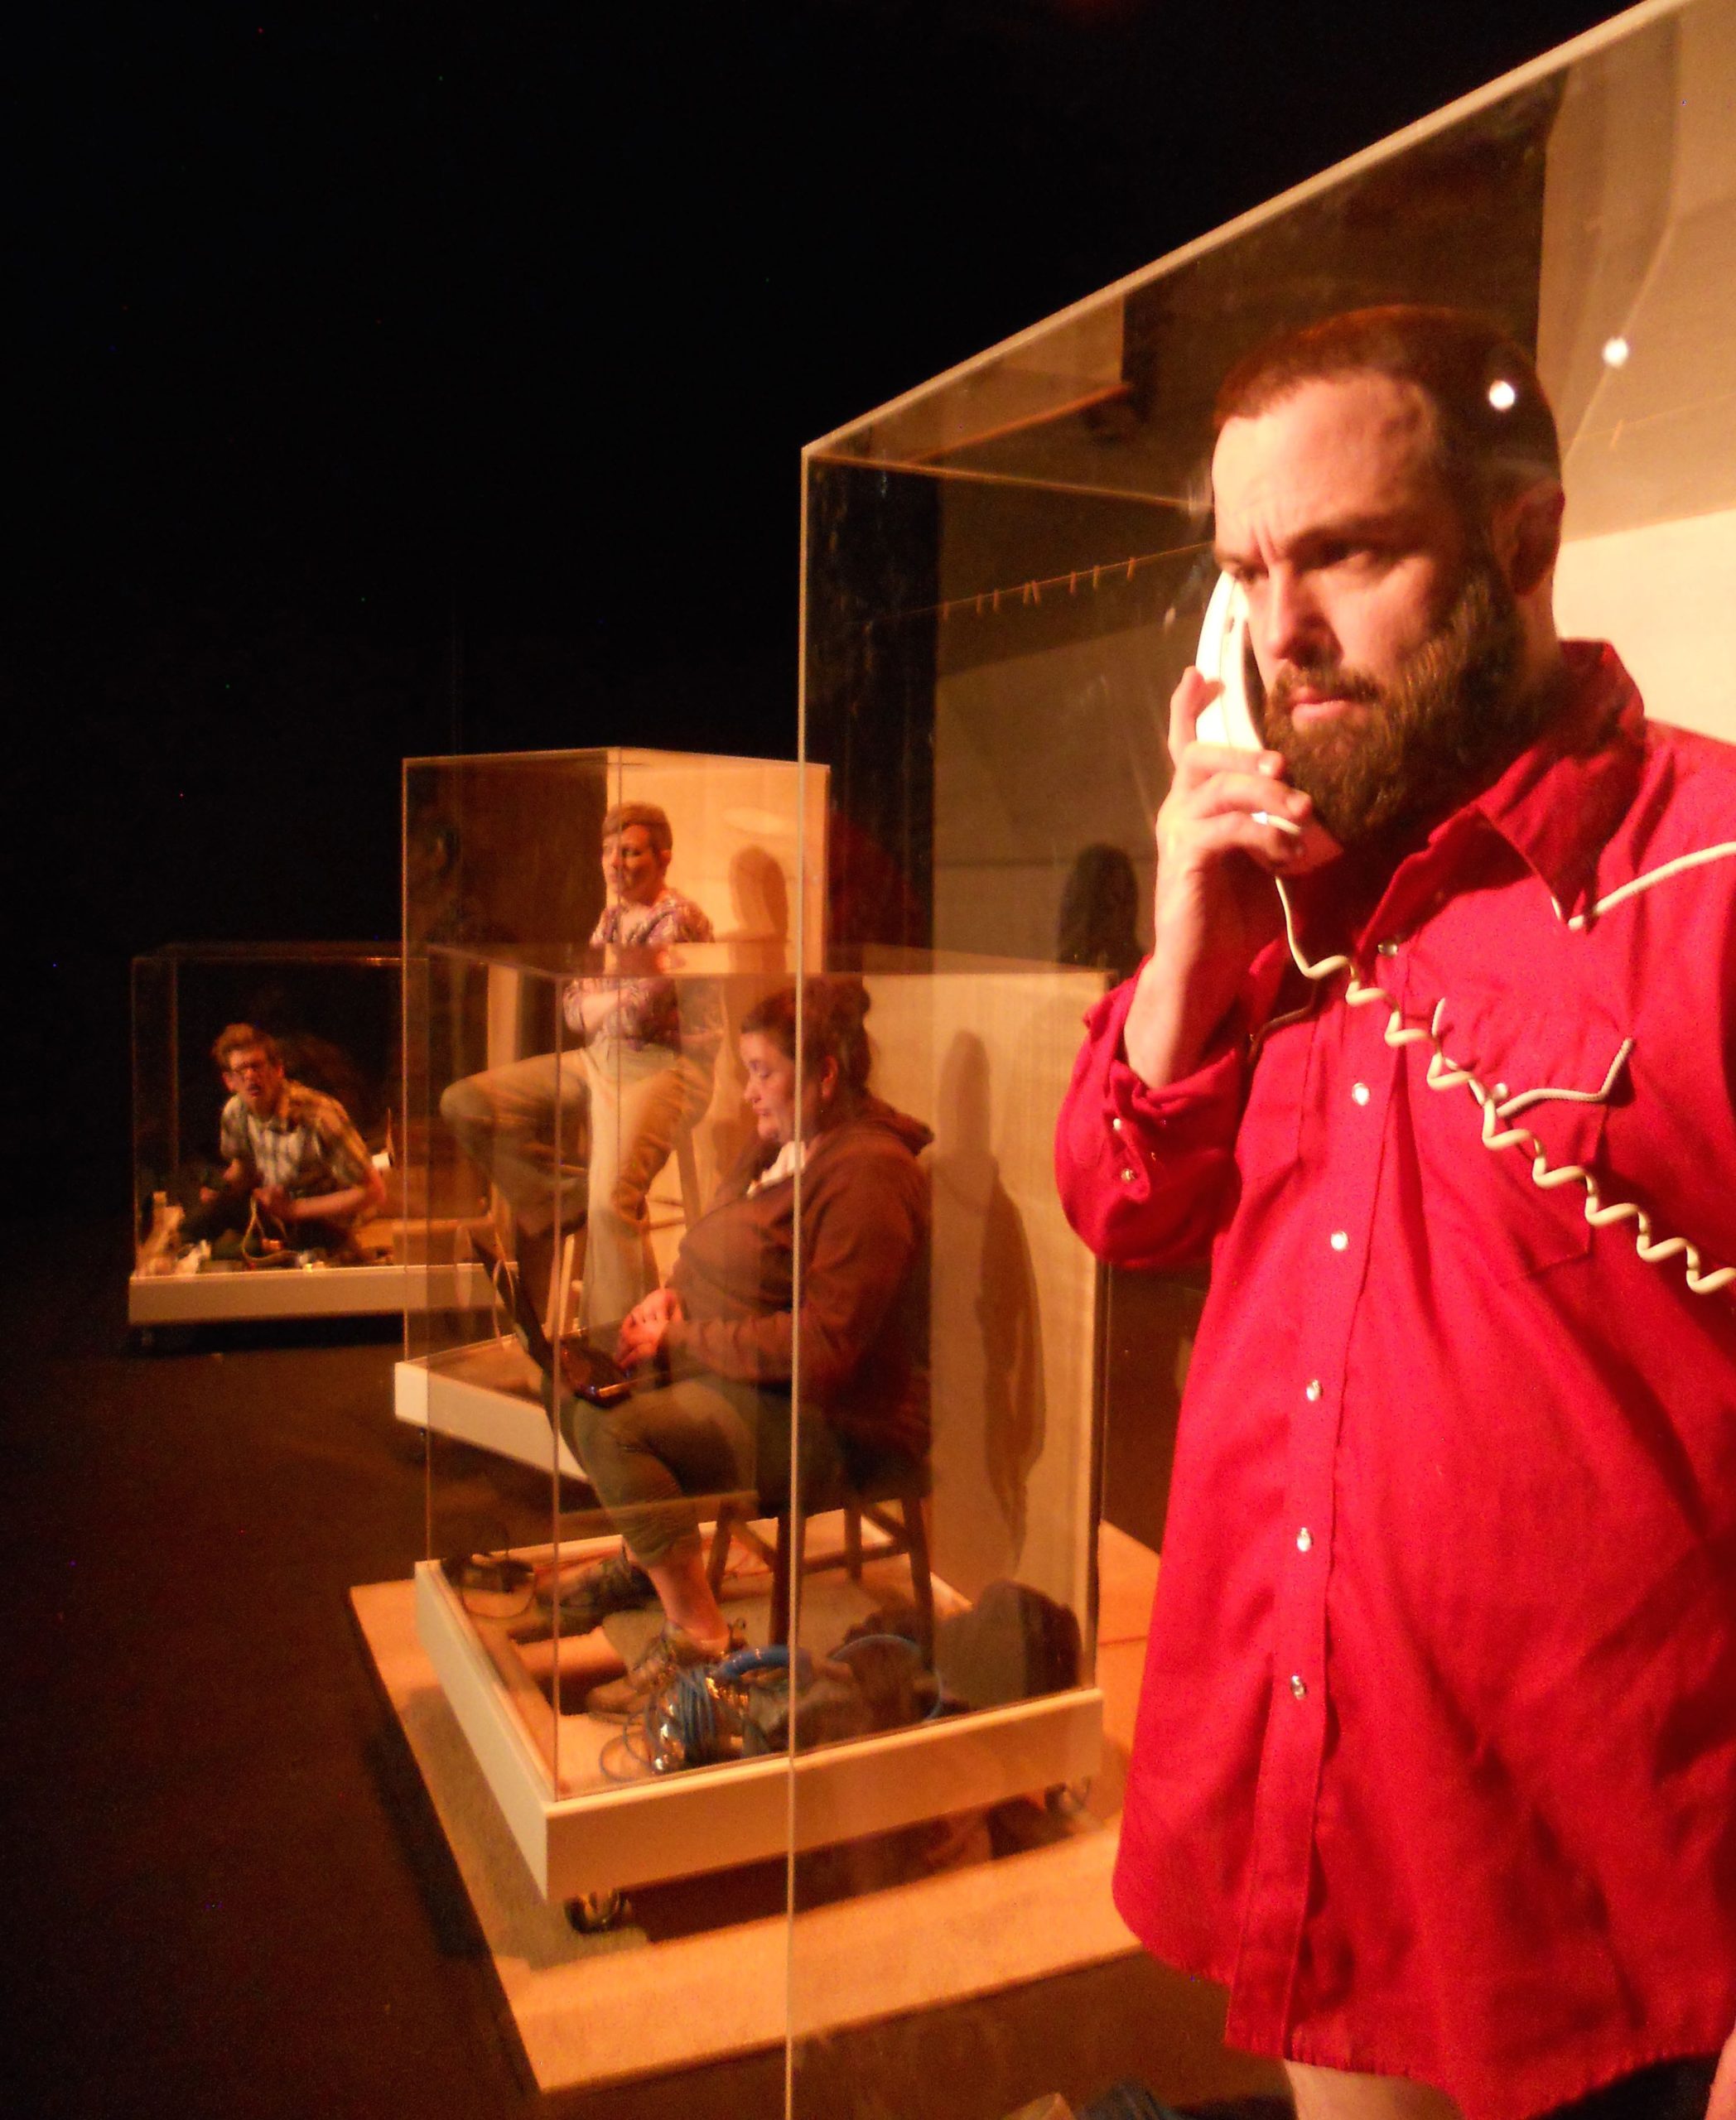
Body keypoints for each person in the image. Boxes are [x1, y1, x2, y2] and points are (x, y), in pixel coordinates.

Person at [1053, 307, 1736, 2120]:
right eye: (1245, 570)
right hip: (1312, 1799)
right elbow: (1118, 1206)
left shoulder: (1707, 875)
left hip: (1574, 1882)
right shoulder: (1281, 883)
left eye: (1343, 553)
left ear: (1518, 542)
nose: (1281, 630)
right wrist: (1184, 960)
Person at [546, 976, 931, 1721]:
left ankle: (701, 1635)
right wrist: (677, 1291)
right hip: (749, 1370)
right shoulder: (785, 1147)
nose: (749, 1093)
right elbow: (720, 1235)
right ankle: (645, 1557)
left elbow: (825, 1348)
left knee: (614, 1427)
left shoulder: (870, 1175)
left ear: (824, 1074)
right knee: (566, 1373)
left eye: (763, 1073)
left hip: (835, 1421)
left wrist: (683, 1336)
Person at [440, 801, 721, 1331]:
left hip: (668, 1068)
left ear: (663, 857)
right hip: (601, 1058)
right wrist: (603, 1001)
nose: (617, 863)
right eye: (609, 852)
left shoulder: (678, 918)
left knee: (612, 1201)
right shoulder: (612, 916)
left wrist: (603, 1002)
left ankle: (614, 1346)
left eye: (631, 851)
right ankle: (565, 1200)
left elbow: (642, 1009)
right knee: (467, 1102)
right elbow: (574, 1007)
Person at [180, 1023, 386, 1255]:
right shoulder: (235, 1113)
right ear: (229, 1081)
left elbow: (373, 1191)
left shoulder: (318, 1117)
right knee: (204, 1226)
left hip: (327, 1224)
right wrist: (220, 1189)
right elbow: (243, 1169)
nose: (250, 1076)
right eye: (241, 1070)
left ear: (278, 1069)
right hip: (277, 1217)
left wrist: (292, 1210)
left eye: (257, 1066)